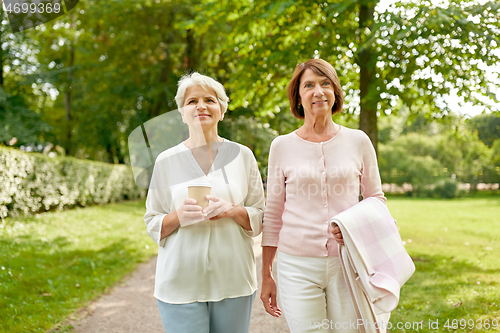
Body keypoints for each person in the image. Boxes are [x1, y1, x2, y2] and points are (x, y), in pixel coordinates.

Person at [260, 59, 386, 333]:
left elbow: (376, 198)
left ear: (335, 93)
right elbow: (273, 213)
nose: (318, 91)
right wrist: (266, 272)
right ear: (298, 96)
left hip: (348, 262)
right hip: (297, 266)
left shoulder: (358, 141)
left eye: (325, 83)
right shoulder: (281, 146)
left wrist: (353, 226)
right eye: (309, 85)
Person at [144, 72, 265, 333]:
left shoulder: (243, 156)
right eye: (192, 101)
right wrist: (178, 216)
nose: (201, 106)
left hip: (233, 280)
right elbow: (152, 221)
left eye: (209, 100)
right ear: (182, 113)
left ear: (221, 111)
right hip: (180, 283)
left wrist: (232, 210)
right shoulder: (165, 160)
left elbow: (260, 215)